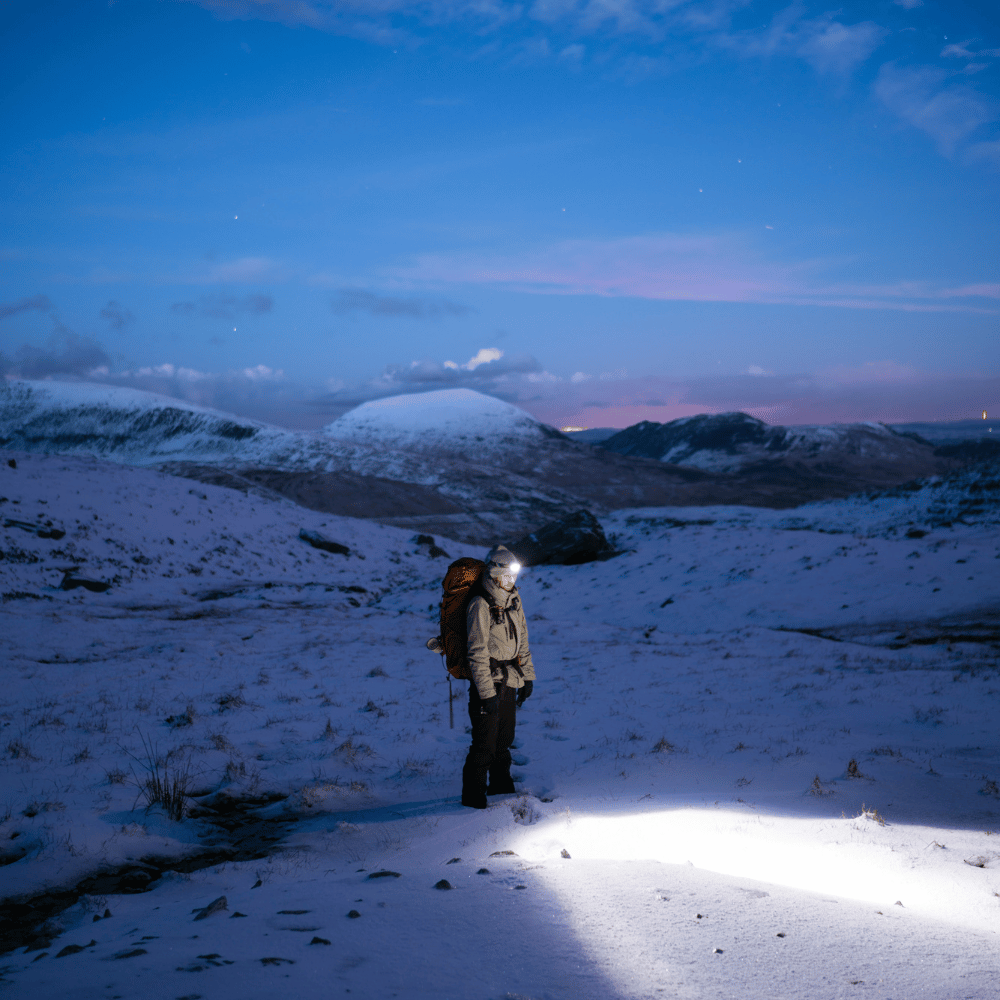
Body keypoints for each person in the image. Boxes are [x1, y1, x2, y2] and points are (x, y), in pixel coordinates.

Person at [461, 545, 535, 809]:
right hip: (488, 683)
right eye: (506, 575)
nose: (511, 580)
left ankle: (501, 788)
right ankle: (473, 799)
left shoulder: (514, 600)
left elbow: (522, 640)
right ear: (494, 574)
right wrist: (486, 693)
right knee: (484, 744)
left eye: (513, 575)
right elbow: (476, 652)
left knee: (504, 741)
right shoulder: (480, 604)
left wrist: (527, 676)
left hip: (510, 680)